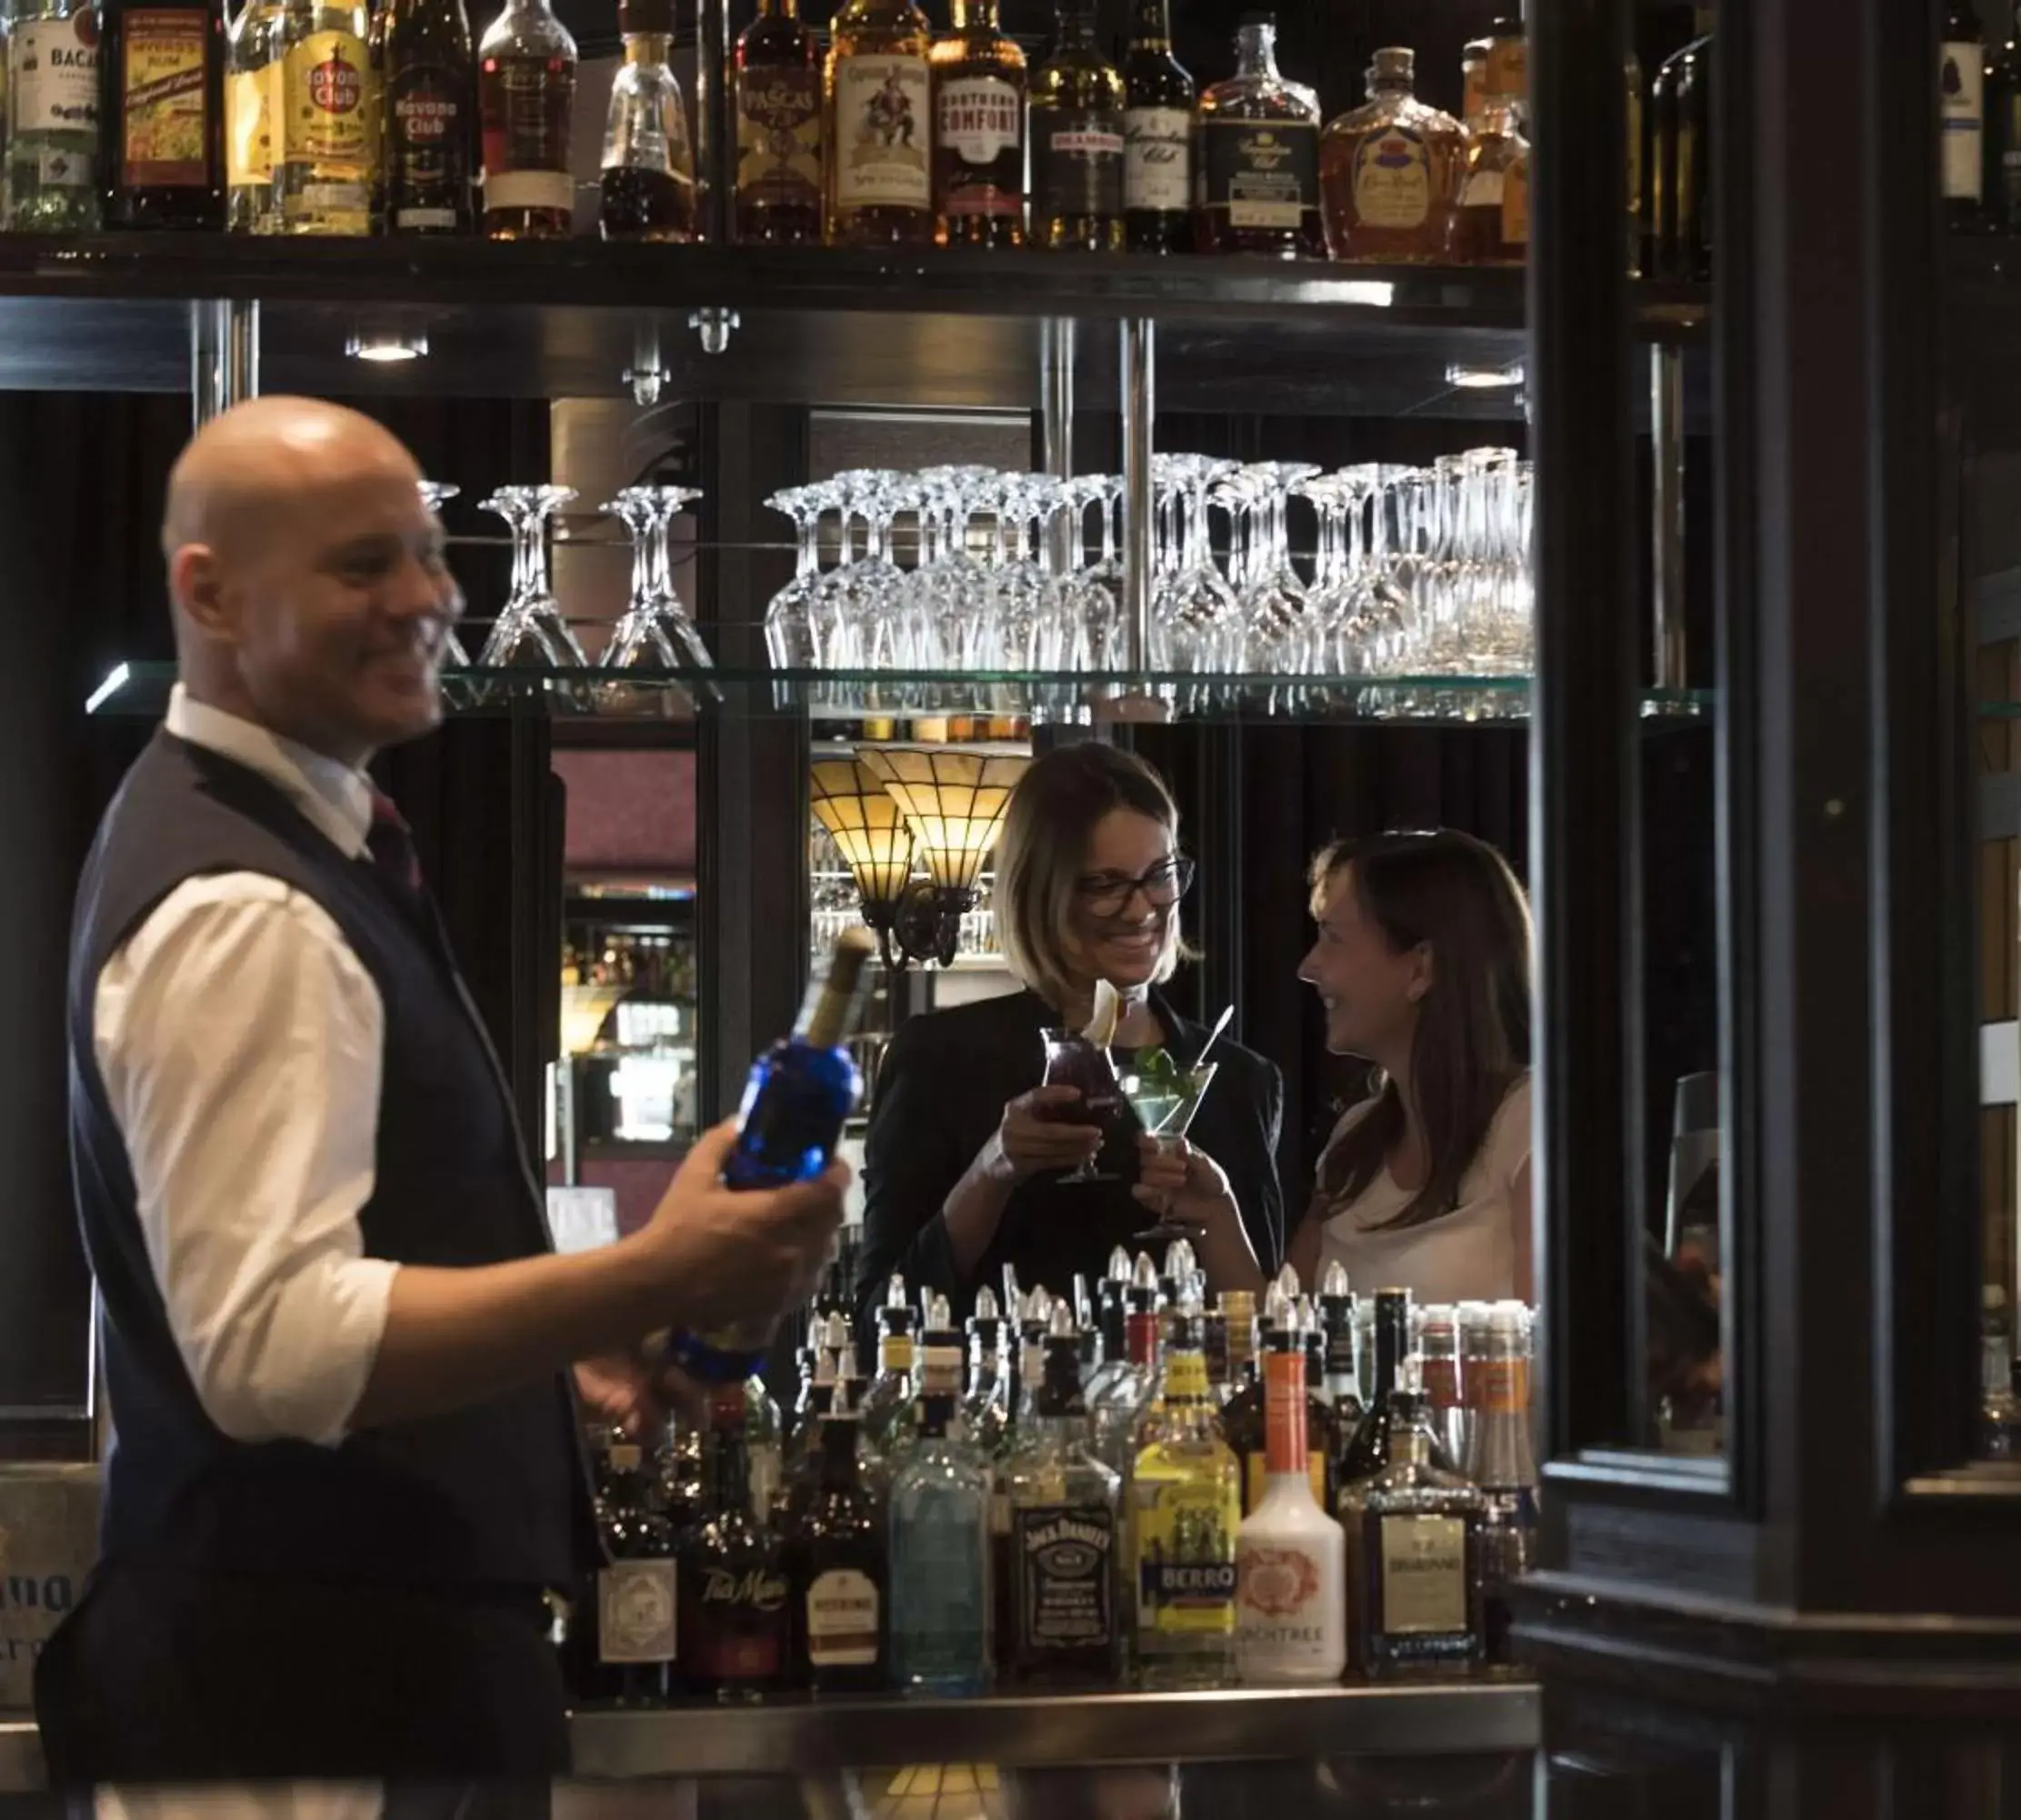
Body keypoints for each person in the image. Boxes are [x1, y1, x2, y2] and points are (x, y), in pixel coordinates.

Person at [38, 397, 848, 1786]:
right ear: (210, 591)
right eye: (364, 566)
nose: (429, 598)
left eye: (430, 553)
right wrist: (652, 1271)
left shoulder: (300, 843)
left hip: (340, 1681)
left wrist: (554, 1356)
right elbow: (275, 1352)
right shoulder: (247, 903)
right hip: (299, 1707)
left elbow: (368, 1271)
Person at [858, 743, 1285, 1319]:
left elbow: (1268, 1344)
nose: (1141, 911)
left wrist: (1216, 1220)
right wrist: (992, 1171)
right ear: (1041, 894)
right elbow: (876, 1321)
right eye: (1105, 884)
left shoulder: (1239, 1081)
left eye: (1158, 875)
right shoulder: (942, 1060)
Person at [1142, 829, 1535, 1304]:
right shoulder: (1356, 1139)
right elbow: (1282, 1339)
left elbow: (1563, 1361)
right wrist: (1214, 1213)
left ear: (1420, 970)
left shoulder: (1531, 1126)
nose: (1308, 966)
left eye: (1333, 938)